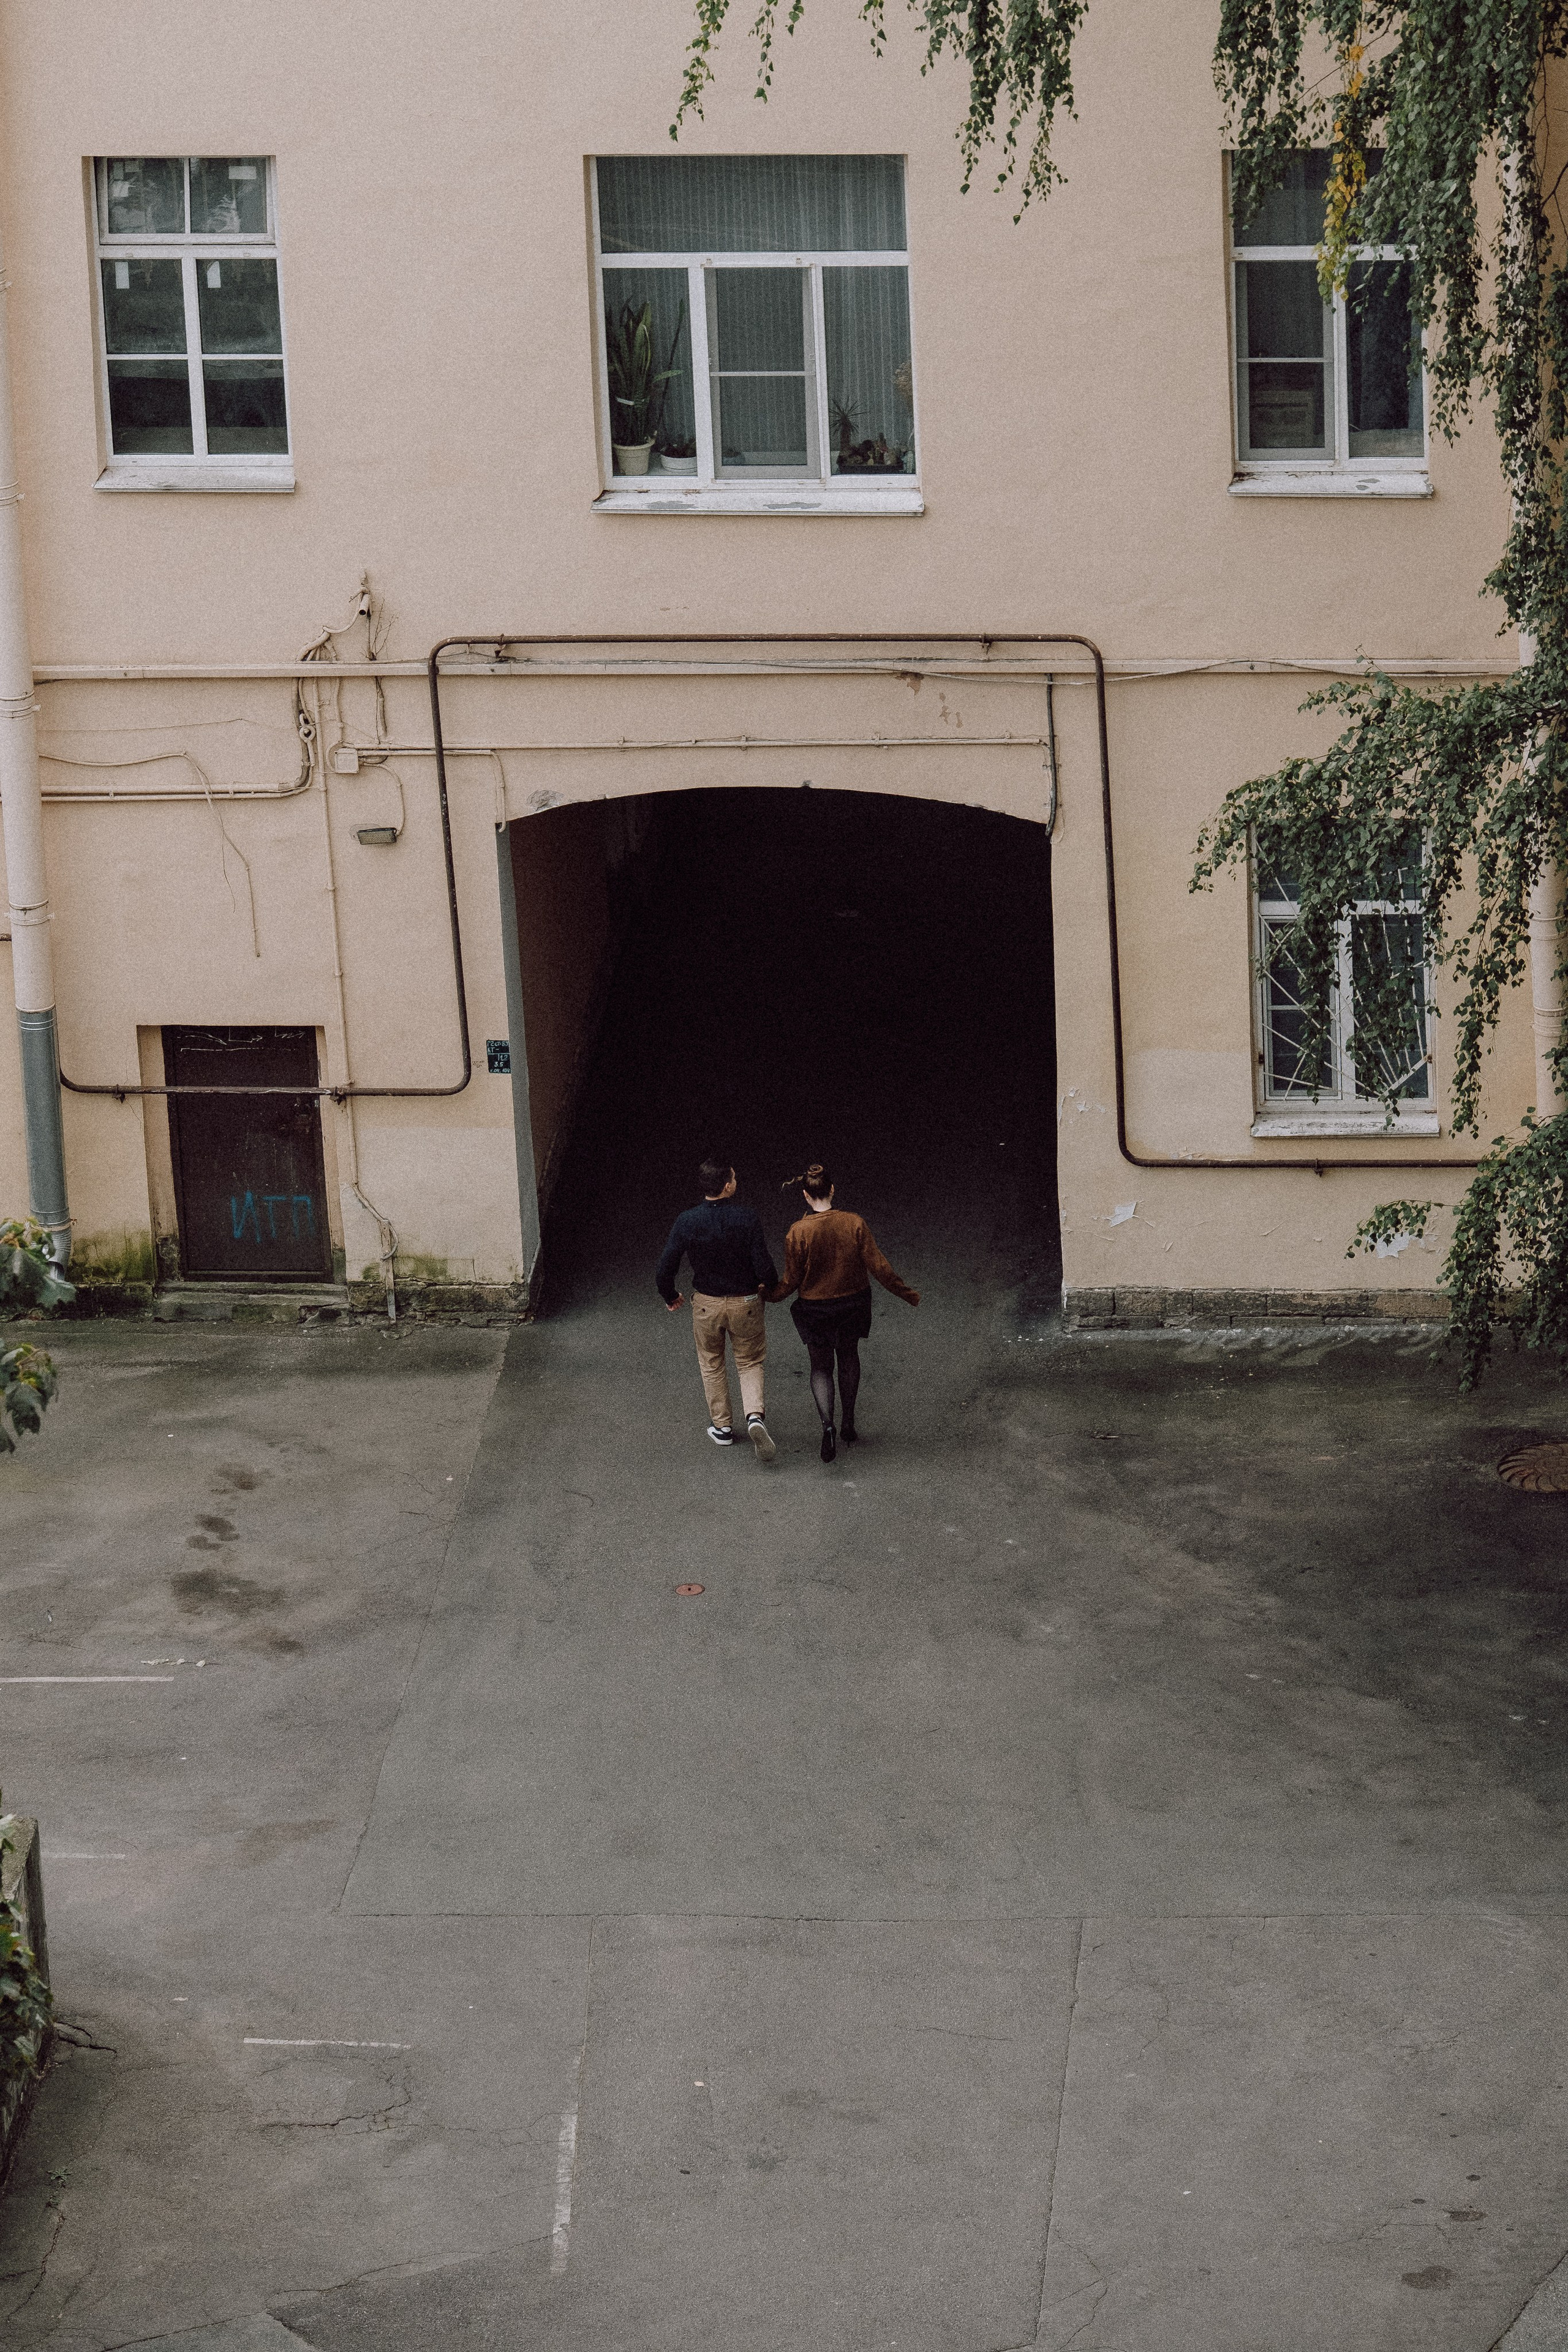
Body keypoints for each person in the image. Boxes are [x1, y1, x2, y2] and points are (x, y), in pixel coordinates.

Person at [769, 1163, 919, 1461]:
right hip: (853, 1303)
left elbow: (791, 1280)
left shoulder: (798, 1231)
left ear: (805, 1196)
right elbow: (879, 1267)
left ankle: (828, 1425)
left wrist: (768, 1295)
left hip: (815, 1308)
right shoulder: (854, 1223)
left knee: (821, 1368)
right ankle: (848, 1422)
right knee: (849, 1358)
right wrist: (906, 1293)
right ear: (833, 1190)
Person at [655, 1155, 778, 1460]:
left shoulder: (687, 1220)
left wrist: (671, 1296)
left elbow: (665, 1268)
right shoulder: (747, 1218)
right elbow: (765, 1268)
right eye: (734, 1179)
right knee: (749, 1362)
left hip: (706, 1305)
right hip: (746, 1302)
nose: (736, 1182)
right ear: (727, 1187)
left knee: (712, 1362)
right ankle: (754, 1416)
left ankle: (722, 1427)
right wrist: (769, 1287)